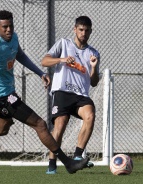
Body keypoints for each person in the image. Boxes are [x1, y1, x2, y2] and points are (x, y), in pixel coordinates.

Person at [0, 10, 89, 174]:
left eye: (11, 26)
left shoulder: (13, 38)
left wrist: (41, 73)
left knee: (1, 128)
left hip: (7, 94)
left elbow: (21, 56)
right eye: (4, 27)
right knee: (40, 124)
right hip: (3, 97)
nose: (9, 30)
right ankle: (68, 163)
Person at [41, 15, 100, 174]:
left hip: (80, 95)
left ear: (90, 31)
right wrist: (61, 60)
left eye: (87, 30)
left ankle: (77, 156)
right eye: (81, 30)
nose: (83, 33)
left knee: (90, 116)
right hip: (62, 91)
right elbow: (44, 61)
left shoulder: (93, 53)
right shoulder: (64, 43)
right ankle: (52, 165)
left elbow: (94, 82)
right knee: (60, 125)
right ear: (75, 29)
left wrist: (94, 67)